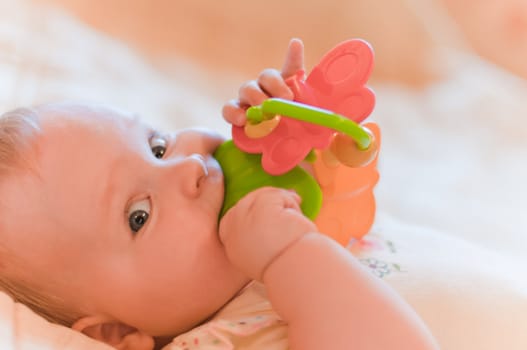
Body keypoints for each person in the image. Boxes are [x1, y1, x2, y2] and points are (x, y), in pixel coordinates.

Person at [0, 39, 439, 349]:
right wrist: (291, 256)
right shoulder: (217, 340)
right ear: (115, 334)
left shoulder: (270, 213)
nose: (189, 167)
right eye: (139, 215)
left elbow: (346, 188)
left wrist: (298, 131)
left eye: (158, 146)